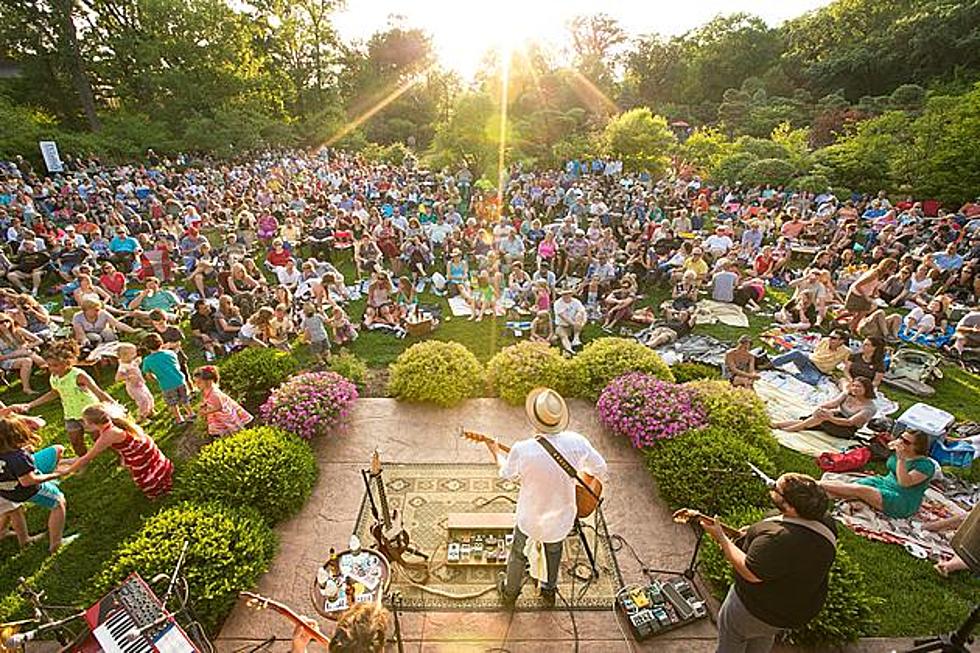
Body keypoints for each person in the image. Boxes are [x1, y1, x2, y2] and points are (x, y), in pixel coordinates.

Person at [491, 388, 607, 608]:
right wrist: (578, 475)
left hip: (530, 519)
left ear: (534, 419)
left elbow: (506, 474)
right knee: (554, 551)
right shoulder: (578, 442)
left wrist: (496, 453)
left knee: (517, 552)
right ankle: (548, 591)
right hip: (560, 519)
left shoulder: (522, 449)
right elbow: (600, 468)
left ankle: (509, 594)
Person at [704, 473, 836, 653]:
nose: (771, 486)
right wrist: (752, 534)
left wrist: (722, 538)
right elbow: (791, 550)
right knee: (762, 635)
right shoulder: (824, 521)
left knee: (733, 637)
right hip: (789, 611)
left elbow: (750, 571)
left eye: (776, 488)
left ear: (790, 506)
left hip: (753, 609)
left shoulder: (778, 538)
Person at [15, 339, 114, 456]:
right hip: (70, 414)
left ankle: (122, 454)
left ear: (68, 363)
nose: (51, 369)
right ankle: (83, 462)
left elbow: (98, 392)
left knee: (99, 439)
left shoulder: (79, 376)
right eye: (49, 365)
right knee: (76, 442)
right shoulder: (54, 377)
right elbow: (55, 392)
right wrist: (31, 404)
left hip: (89, 413)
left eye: (55, 365)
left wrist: (114, 406)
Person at [59, 403, 173, 501]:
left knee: (144, 473)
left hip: (138, 452)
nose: (83, 424)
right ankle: (163, 477)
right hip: (140, 446)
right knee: (147, 466)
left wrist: (68, 470)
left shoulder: (108, 435)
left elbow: (87, 457)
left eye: (84, 421)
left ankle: (160, 493)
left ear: (93, 424)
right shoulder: (111, 424)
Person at [819, 430, 938, 519]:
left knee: (860, 490)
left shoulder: (925, 466)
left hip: (902, 499)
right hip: (883, 483)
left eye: (906, 441)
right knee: (851, 487)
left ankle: (813, 484)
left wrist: (901, 459)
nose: (901, 442)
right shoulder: (898, 451)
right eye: (901, 437)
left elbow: (904, 482)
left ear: (917, 447)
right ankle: (814, 494)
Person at [0, 415, 72, 553]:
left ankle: (20, 539)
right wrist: (56, 474)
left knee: (12, 511)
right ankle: (56, 545)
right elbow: (28, 481)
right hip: (26, 490)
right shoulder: (18, 457)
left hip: (6, 492)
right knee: (58, 502)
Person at [773, 377, 877, 438]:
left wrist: (829, 418)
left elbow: (849, 422)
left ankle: (789, 429)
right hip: (837, 417)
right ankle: (778, 425)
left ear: (867, 389)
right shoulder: (848, 394)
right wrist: (822, 407)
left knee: (819, 419)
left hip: (846, 429)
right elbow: (834, 403)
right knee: (814, 418)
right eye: (853, 385)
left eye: (859, 386)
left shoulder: (869, 408)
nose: (855, 388)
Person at [141, 333, 193, 424]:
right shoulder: (170, 353)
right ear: (161, 343)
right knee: (184, 399)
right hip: (180, 380)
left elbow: (148, 374)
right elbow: (176, 365)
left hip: (166, 385)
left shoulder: (147, 360)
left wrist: (155, 378)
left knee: (172, 403)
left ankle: (179, 419)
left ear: (147, 347)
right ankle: (191, 413)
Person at [770, 330, 851, 386]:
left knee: (813, 381)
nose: (830, 339)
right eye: (830, 336)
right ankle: (770, 363)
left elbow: (846, 366)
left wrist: (849, 379)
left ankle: (792, 373)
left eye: (833, 338)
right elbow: (815, 352)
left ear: (841, 341)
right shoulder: (825, 340)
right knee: (796, 353)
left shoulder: (846, 351)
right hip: (808, 359)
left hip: (817, 369)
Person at [192, 366, 252, 439]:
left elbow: (219, 407)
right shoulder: (206, 389)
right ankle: (230, 439)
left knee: (232, 428)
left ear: (208, 381)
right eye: (195, 382)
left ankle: (241, 438)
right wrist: (204, 405)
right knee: (225, 431)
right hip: (217, 414)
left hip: (223, 414)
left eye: (199, 383)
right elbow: (208, 400)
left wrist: (206, 412)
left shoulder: (214, 394)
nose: (196, 385)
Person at [115, 343, 155, 421]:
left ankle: (150, 411)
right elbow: (117, 378)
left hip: (140, 384)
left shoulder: (130, 361)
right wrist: (127, 376)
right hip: (133, 388)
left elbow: (135, 364)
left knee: (149, 397)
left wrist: (137, 362)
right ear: (124, 356)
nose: (135, 354)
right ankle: (141, 417)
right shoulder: (123, 366)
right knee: (143, 400)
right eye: (133, 353)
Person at [554, 288, 586, 354]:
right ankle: (569, 349)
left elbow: (583, 312)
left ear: (571, 294)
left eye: (568, 294)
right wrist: (575, 325)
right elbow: (563, 317)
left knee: (579, 314)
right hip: (563, 324)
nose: (566, 296)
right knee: (563, 335)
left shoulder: (576, 301)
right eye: (564, 294)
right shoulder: (557, 303)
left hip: (576, 322)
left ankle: (576, 338)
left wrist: (582, 323)